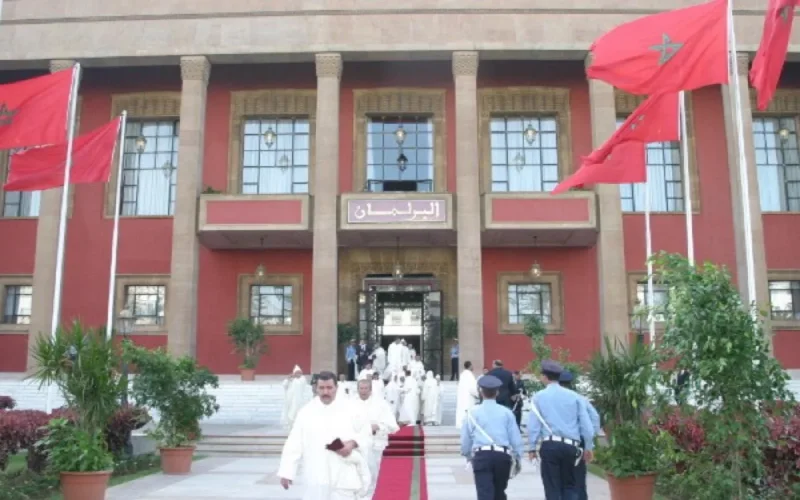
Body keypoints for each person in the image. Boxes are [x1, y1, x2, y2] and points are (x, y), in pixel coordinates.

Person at [278, 371, 372, 499]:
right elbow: (294, 442)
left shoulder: (351, 408)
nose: (325, 392)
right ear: (316, 388)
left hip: (344, 476)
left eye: (329, 387)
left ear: (336, 388)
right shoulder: (306, 412)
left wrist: (352, 443)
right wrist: (287, 471)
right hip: (316, 476)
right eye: (321, 388)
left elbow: (366, 432)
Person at [527, 360, 595, 500]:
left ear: (545, 377)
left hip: (550, 445)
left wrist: (532, 447)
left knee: (552, 487)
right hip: (571, 446)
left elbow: (534, 425)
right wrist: (588, 446)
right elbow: (586, 425)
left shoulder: (538, 397)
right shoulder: (575, 397)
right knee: (570, 485)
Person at [460, 375, 523, 500]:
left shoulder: (472, 413)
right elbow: (515, 439)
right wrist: (517, 457)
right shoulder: (507, 412)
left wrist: (467, 455)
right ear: (497, 392)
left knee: (484, 493)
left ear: (480, 392)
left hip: (482, 456)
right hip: (502, 456)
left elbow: (466, 439)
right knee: (500, 493)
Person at [354, 378, 399, 500]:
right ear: (357, 389)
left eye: (366, 389)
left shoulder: (380, 404)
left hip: (375, 445)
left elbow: (393, 426)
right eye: (361, 388)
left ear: (370, 390)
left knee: (371, 475)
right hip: (356, 446)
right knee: (356, 475)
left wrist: (378, 426)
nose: (363, 391)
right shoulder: (350, 404)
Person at [559, 370, 601, 500]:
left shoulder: (552, 400)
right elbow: (594, 417)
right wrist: (590, 439)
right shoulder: (579, 398)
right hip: (578, 442)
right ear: (571, 383)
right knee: (578, 476)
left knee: (561, 477)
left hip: (558, 442)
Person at [281, 365, 312, 430]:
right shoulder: (290, 379)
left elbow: (302, 385)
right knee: (290, 413)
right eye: (297, 372)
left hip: (300, 400)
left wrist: (294, 379)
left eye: (299, 372)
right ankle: (290, 426)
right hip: (290, 400)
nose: (298, 374)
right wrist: (288, 379)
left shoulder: (302, 379)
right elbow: (284, 385)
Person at [456, 360, 479, 430]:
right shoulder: (470, 375)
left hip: (462, 397)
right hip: (469, 398)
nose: (473, 367)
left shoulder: (462, 375)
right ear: (470, 366)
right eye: (472, 365)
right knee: (469, 412)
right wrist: (478, 395)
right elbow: (472, 388)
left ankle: (461, 424)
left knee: (462, 411)